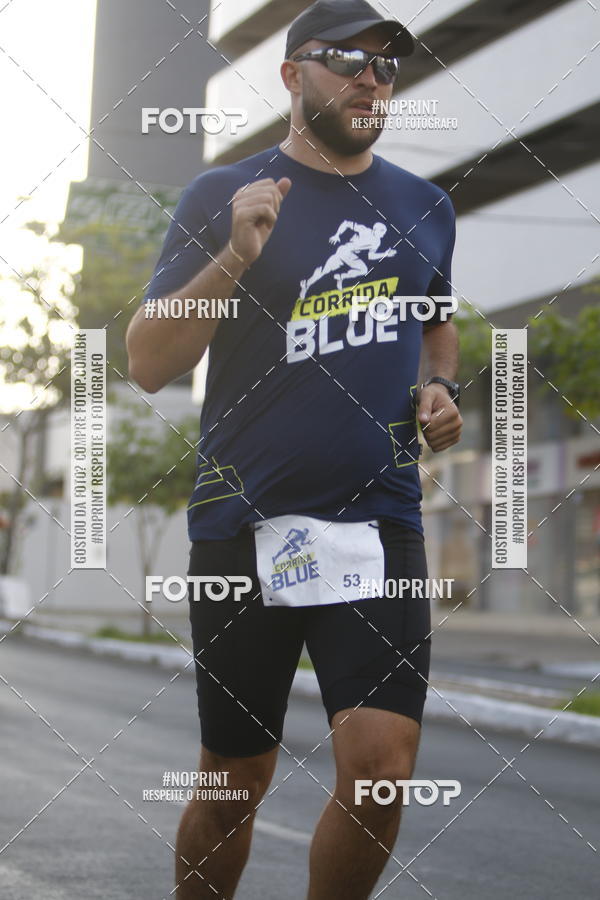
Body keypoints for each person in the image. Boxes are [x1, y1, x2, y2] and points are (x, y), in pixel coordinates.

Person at [126, 0, 462, 896]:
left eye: (386, 64)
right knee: (235, 781)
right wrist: (235, 253)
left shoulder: (425, 206)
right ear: (290, 75)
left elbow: (436, 323)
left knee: (385, 767)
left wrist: (442, 387)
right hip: (245, 525)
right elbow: (149, 362)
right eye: (345, 58)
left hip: (380, 523)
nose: (368, 76)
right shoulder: (222, 196)